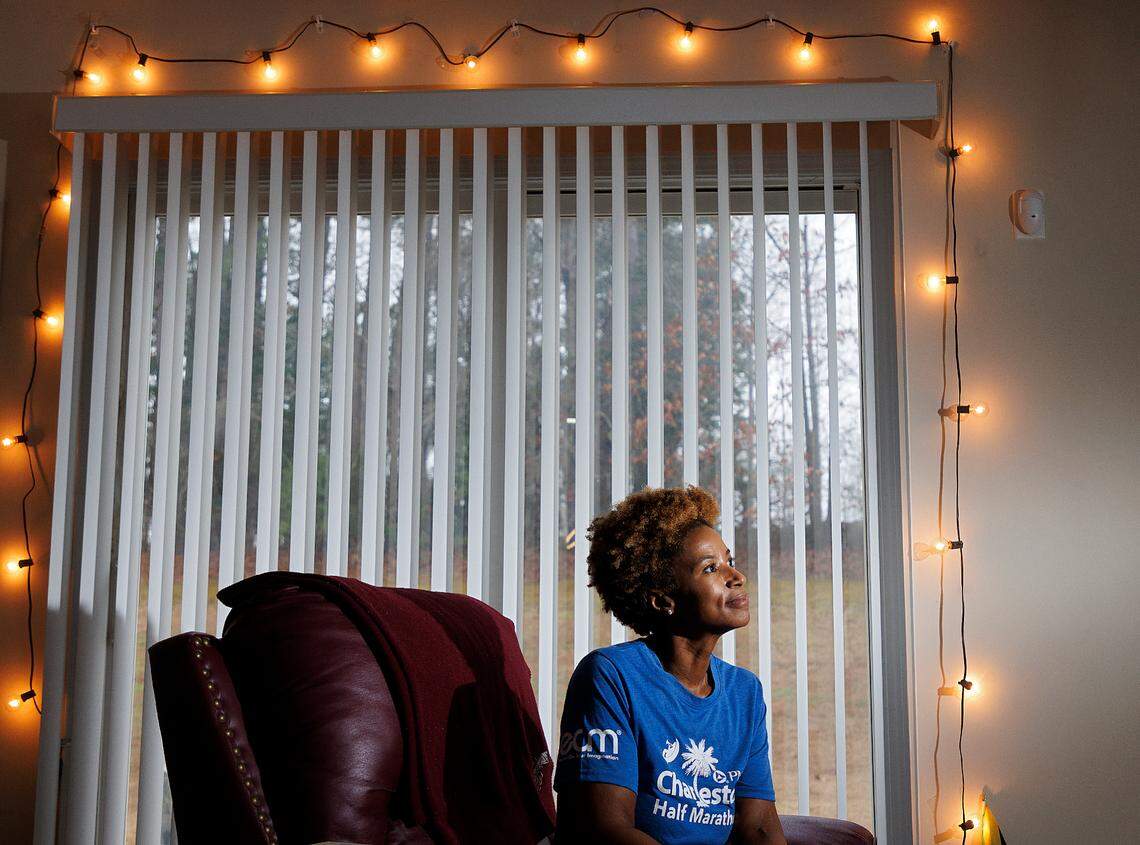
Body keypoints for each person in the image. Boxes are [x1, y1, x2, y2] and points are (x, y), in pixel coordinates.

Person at [554, 485, 786, 844]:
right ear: (663, 601)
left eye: (730, 560)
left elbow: (758, 828)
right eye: (711, 568)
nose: (736, 576)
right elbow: (605, 831)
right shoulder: (610, 677)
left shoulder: (745, 693)